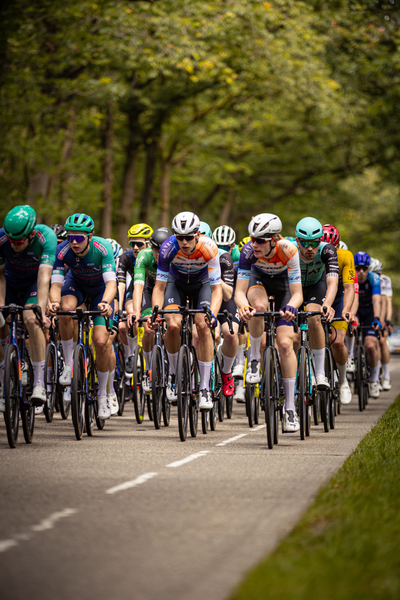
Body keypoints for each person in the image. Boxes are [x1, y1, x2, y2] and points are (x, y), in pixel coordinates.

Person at [234, 213, 303, 432]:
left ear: (274, 239)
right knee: (259, 309)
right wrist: (243, 306)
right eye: (252, 238)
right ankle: (254, 357)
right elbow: (239, 293)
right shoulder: (248, 252)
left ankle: (290, 408)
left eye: (260, 240)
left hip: (283, 288)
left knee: (285, 344)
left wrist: (291, 307)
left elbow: (298, 293)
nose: (254, 244)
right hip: (259, 283)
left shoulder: (289, 250)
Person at [48, 213, 117, 419]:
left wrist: (105, 302)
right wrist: (53, 302)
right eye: (71, 237)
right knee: (66, 308)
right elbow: (56, 284)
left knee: (100, 342)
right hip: (75, 284)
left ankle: (103, 395)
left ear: (90, 236)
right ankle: (69, 364)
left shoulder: (102, 248)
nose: (74, 242)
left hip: (100, 291)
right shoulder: (62, 250)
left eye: (79, 238)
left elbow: (112, 284)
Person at [152, 211, 222, 410]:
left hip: (202, 284)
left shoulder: (209, 247)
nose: (184, 242)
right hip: (177, 283)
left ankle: (205, 388)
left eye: (188, 237)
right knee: (172, 324)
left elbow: (217, 289)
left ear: (197, 235)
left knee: (203, 324)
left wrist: (213, 315)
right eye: (179, 237)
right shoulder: (168, 248)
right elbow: (159, 287)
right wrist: (157, 311)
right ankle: (173, 374)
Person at [0, 205, 56, 409]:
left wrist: (40, 310)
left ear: (31, 234)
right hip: (10, 283)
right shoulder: (3, 239)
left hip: (34, 283)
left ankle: (39, 383)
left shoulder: (46, 238)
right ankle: (4, 375)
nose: (14, 245)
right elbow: (0, 278)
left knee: (31, 318)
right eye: (11, 241)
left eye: (19, 242)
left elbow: (44, 279)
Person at [125, 227, 173, 391]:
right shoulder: (143, 256)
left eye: (162, 251)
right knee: (148, 329)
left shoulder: (176, 256)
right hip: (149, 289)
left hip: (170, 290)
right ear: (150, 248)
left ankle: (173, 364)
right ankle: (147, 369)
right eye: (155, 250)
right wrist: (137, 311)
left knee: (172, 326)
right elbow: (138, 285)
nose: (159, 255)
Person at [294, 217, 339, 390]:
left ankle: (320, 373)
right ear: (297, 240)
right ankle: (296, 371)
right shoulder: (288, 248)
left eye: (315, 243)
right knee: (293, 334)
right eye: (305, 243)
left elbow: (332, 282)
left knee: (314, 318)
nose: (310, 248)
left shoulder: (327, 250)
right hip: (294, 288)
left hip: (315, 286)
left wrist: (327, 304)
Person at [321, 224, 355, 404]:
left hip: (338, 298)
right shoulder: (311, 254)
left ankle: (342, 382)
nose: (326, 251)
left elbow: (349, 288)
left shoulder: (345, 256)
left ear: (338, 246)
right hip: (318, 295)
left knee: (338, 341)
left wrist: (346, 310)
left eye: (331, 248)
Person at [117, 223, 153, 378]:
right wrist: (119, 308)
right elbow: (121, 284)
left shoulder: (156, 255)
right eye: (133, 244)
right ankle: (131, 354)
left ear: (149, 243)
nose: (136, 247)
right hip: (136, 289)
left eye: (140, 244)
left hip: (153, 289)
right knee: (131, 313)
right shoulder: (126, 257)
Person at [211, 225, 239, 397]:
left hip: (227, 296)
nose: (221, 251)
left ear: (232, 247)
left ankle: (226, 371)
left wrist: (213, 275)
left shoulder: (235, 256)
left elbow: (229, 294)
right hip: (209, 295)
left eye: (226, 248)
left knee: (230, 333)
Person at [353, 251, 382, 399]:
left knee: (371, 345)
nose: (362, 272)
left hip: (370, 311)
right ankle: (352, 360)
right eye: (358, 268)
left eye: (365, 268)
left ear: (368, 268)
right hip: (356, 310)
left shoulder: (374, 278)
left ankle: (374, 380)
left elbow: (377, 300)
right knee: (350, 328)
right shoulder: (351, 278)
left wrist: (377, 318)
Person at [369, 257, 392, 391]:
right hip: (366, 309)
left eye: (379, 273)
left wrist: (385, 321)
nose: (378, 277)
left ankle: (386, 376)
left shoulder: (384, 280)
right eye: (375, 274)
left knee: (382, 341)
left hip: (378, 312)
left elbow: (386, 302)